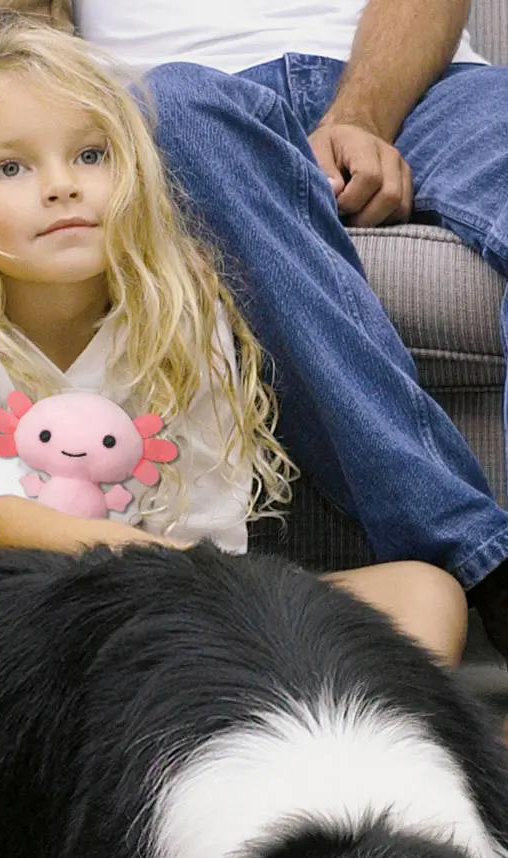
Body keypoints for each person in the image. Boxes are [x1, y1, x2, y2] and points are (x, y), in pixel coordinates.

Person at [0, 19, 467, 669]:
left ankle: (307, 718)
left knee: (426, 593)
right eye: (10, 167)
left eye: (91, 155)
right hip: (33, 619)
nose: (61, 185)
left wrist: (216, 597)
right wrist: (182, 575)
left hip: (185, 604)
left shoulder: (180, 314)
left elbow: (208, 528)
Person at [72, 0, 508, 652]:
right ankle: (486, 563)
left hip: (426, 89)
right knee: (170, 109)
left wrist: (360, 117)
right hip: (186, 106)